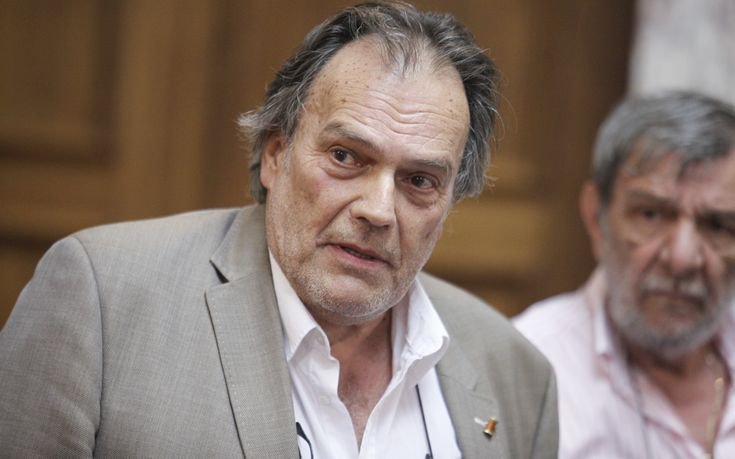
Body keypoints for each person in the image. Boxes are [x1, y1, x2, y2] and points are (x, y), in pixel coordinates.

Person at [0, 2, 557, 457]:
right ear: (275, 154)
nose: (379, 210)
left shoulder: (515, 374)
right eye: (345, 156)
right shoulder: (102, 300)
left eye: (419, 180)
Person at [514, 91, 735, 458]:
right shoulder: (525, 367)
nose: (682, 259)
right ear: (595, 218)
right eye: (651, 215)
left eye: (718, 225)